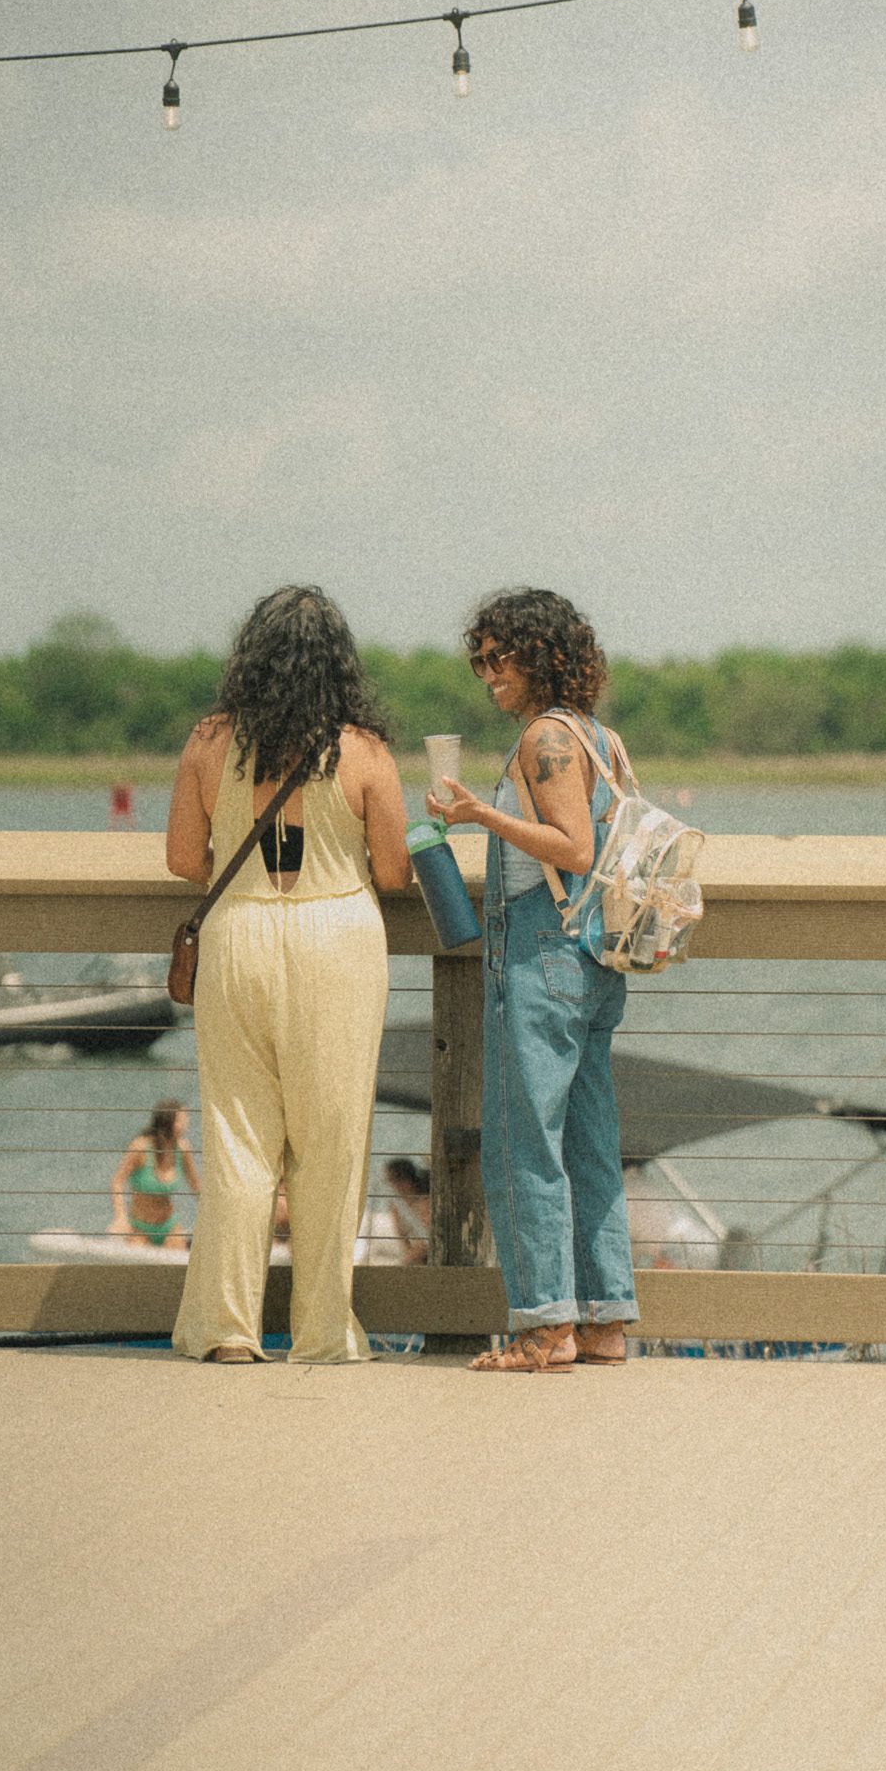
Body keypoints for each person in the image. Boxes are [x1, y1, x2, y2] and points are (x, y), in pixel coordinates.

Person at [166, 584, 411, 1365]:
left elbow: (180, 860)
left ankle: (225, 1330)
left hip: (238, 930)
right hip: (336, 937)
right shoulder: (364, 751)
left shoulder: (210, 742)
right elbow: (394, 873)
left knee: (239, 1138)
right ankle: (322, 1332)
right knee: (331, 1142)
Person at [428, 588, 638, 1372]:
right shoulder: (599, 737)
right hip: (594, 953)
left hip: (542, 951)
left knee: (522, 1143)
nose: (487, 676)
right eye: (479, 662)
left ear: (536, 655)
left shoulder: (543, 739)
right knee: (588, 1139)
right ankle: (604, 1318)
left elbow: (571, 846)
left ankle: (544, 1325)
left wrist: (478, 816)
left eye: (497, 659)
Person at [109, 1098, 201, 1249]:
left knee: (179, 1269)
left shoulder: (183, 1149)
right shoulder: (141, 1147)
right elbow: (117, 1182)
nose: (187, 1124)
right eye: (181, 1120)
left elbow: (197, 1187)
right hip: (139, 1228)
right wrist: (120, 1216)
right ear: (167, 1122)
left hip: (168, 1227)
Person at [383, 1158, 431, 1264]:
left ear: (406, 1182)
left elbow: (426, 1239)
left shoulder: (424, 1202)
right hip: (414, 1257)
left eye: (391, 1181)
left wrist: (406, 1261)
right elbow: (402, 1237)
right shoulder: (396, 1205)